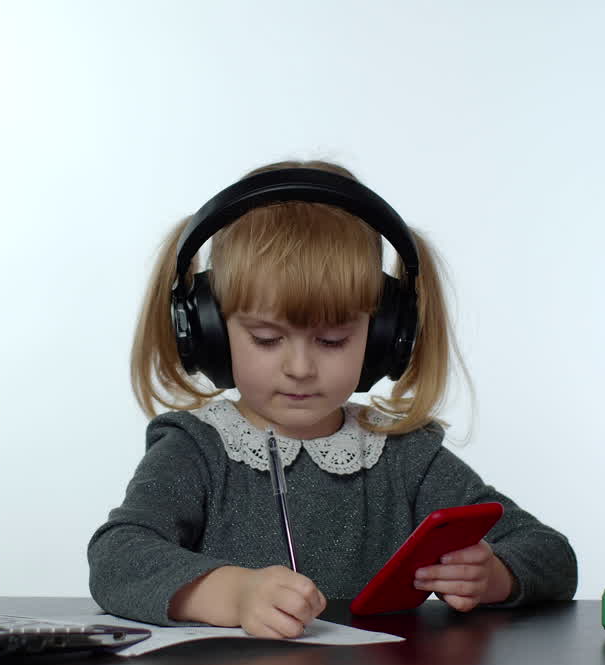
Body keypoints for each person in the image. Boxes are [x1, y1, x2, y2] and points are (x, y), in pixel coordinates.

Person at [88, 160, 577, 639]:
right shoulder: (196, 449)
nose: (300, 367)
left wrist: (496, 576)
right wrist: (233, 594)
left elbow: (550, 553)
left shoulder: (404, 455)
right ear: (207, 332)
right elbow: (118, 556)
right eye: (265, 338)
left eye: (332, 341)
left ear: (387, 336)